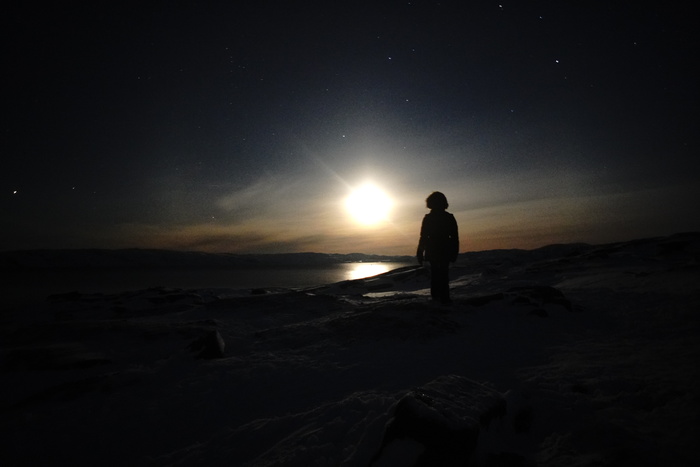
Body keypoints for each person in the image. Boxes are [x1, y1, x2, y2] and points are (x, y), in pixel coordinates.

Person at [416, 191, 459, 304]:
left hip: (438, 250)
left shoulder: (433, 218)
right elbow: (424, 237)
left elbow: (424, 237)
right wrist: (420, 252)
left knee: (439, 274)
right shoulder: (445, 218)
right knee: (440, 274)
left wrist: (420, 252)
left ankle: (440, 298)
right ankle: (441, 298)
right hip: (439, 250)